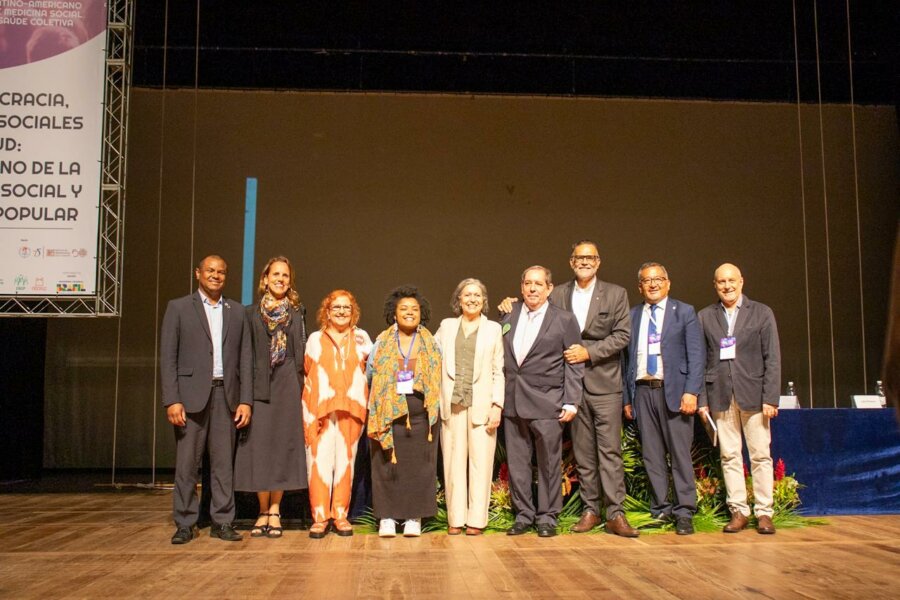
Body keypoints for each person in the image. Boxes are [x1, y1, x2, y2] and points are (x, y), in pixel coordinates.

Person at [160, 254, 252, 544]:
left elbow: (245, 359)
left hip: (226, 396)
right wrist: (172, 399)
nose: (215, 275)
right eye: (210, 270)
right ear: (197, 273)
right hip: (189, 398)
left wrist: (246, 400)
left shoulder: (237, 312)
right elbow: (168, 357)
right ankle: (185, 522)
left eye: (221, 272)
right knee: (187, 465)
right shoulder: (178, 308)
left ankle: (222, 521)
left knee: (224, 465)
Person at [698, 263, 781, 534]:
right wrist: (702, 400)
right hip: (720, 396)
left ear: (741, 282)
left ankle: (764, 512)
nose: (727, 286)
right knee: (729, 455)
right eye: (721, 282)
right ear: (715, 285)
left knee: (760, 456)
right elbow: (700, 361)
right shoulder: (705, 316)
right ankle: (739, 511)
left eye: (731, 280)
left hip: (755, 396)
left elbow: (772, 357)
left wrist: (771, 398)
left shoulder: (761, 312)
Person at [502, 266, 584, 538]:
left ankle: (548, 516)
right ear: (521, 287)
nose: (532, 288)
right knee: (517, 464)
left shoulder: (564, 319)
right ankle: (523, 515)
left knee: (549, 463)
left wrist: (571, 401)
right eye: (528, 283)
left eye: (538, 284)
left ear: (549, 288)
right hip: (513, 401)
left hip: (548, 402)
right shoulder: (508, 314)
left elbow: (574, 362)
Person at [623, 262, 704, 535]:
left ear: (668, 283)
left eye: (658, 279)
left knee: (680, 456)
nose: (653, 284)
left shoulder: (685, 312)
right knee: (652, 456)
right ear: (640, 287)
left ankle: (684, 512)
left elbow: (696, 356)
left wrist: (691, 391)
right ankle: (660, 510)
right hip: (642, 392)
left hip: (675, 393)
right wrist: (627, 399)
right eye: (647, 280)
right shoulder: (632, 315)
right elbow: (624, 362)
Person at [234, 256, 308, 539]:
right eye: (275, 274)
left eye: (285, 275)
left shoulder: (297, 312)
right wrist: (245, 396)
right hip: (260, 386)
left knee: (281, 448)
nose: (280, 279)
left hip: (287, 385)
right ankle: (262, 510)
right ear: (265, 279)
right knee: (260, 449)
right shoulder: (250, 313)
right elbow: (245, 355)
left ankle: (275, 509)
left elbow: (300, 353)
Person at [368, 285, 442, 537]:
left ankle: (414, 517)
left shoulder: (432, 343)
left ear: (422, 313)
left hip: (422, 417)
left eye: (415, 309)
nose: (409, 312)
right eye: (404, 308)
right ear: (394, 313)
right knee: (385, 464)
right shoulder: (381, 342)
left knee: (419, 467)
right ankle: (387, 517)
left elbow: (438, 376)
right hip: (387, 414)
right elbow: (370, 373)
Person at [434, 278, 504, 536]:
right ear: (459, 300)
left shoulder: (493, 329)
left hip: (482, 406)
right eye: (467, 295)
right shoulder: (447, 326)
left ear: (483, 301)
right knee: (453, 464)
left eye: (477, 295)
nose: (472, 299)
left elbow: (498, 370)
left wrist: (497, 405)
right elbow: (430, 355)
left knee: (480, 464)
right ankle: (455, 518)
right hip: (452, 405)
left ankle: (476, 520)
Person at [302, 290, 373, 538]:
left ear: (353, 312)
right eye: (336, 307)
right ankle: (320, 518)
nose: (342, 312)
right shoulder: (314, 339)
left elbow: (371, 369)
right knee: (318, 464)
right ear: (327, 311)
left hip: (351, 410)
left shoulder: (362, 338)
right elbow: (308, 370)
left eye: (346, 307)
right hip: (320, 410)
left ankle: (340, 516)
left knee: (345, 464)